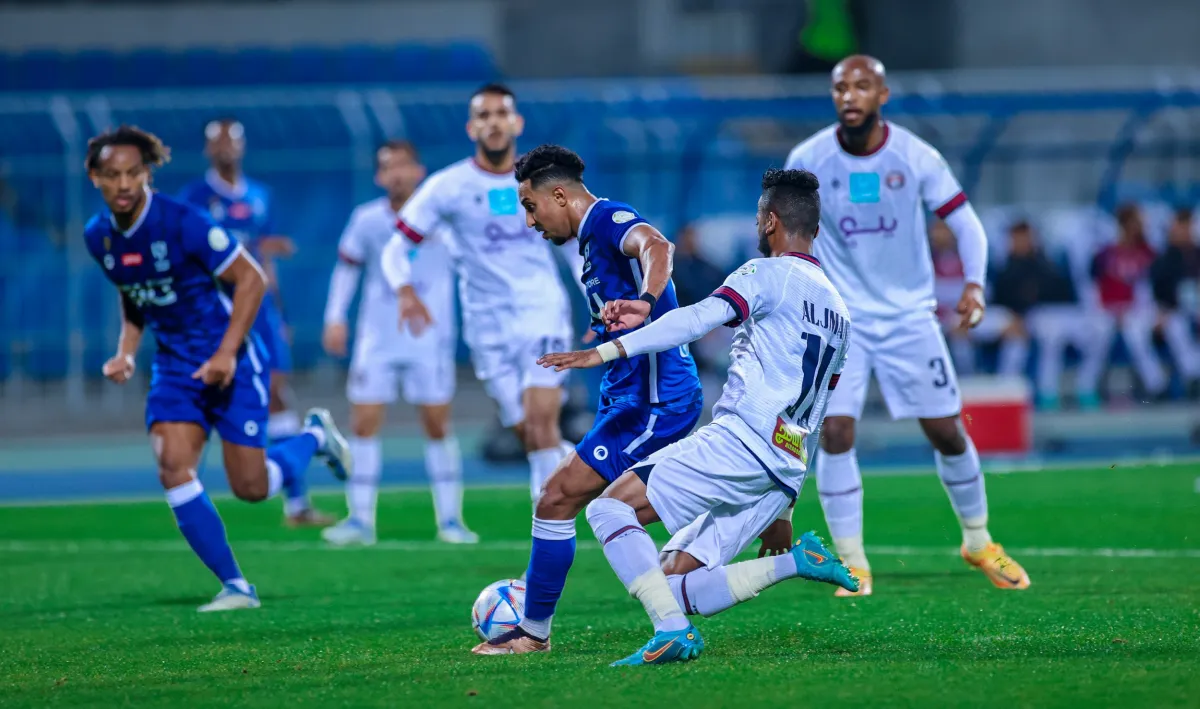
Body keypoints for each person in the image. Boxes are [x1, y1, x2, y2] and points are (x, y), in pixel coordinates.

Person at [541, 168, 859, 666]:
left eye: (759, 216)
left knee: (608, 510)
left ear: (770, 221)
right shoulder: (840, 312)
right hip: (782, 470)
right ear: (814, 228)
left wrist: (607, 352)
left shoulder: (765, 274)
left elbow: (693, 320)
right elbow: (815, 414)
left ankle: (671, 634)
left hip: (741, 443)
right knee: (669, 580)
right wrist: (786, 507)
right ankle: (796, 563)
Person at [785, 55, 1030, 595]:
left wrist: (975, 283)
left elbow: (964, 221)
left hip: (907, 318)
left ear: (883, 95)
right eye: (840, 87)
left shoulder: (915, 155)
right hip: (837, 318)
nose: (849, 96)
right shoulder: (808, 158)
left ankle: (978, 541)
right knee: (837, 430)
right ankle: (852, 562)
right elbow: (780, 228)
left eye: (862, 86)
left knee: (946, 431)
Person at [83, 126, 350, 612]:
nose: (122, 184)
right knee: (172, 466)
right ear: (94, 177)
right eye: (111, 175)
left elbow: (250, 277)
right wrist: (127, 349)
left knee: (250, 488)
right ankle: (235, 586)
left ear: (147, 173)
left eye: (131, 173)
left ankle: (314, 437)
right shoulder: (97, 236)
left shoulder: (183, 221)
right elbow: (134, 292)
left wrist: (227, 352)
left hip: (231, 359)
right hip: (174, 367)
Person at [470, 144, 704, 655]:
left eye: (532, 208)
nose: (531, 222)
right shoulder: (588, 245)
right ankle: (705, 550)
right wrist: (606, 324)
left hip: (654, 400)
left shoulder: (606, 219)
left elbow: (657, 246)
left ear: (559, 194)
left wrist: (645, 301)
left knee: (559, 500)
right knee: (596, 508)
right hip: (627, 397)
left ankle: (534, 634)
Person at [381, 84, 578, 509]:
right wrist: (405, 290)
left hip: (541, 311)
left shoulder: (547, 183)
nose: (494, 122)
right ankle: (592, 476)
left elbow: (579, 247)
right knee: (528, 431)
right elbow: (396, 247)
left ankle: (547, 524)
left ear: (516, 123)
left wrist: (597, 297)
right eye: (484, 115)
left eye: (501, 113)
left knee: (542, 423)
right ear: (472, 127)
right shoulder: (447, 186)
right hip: (486, 326)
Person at [178, 118, 332, 527]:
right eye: (218, 142)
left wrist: (279, 313)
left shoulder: (261, 196)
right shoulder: (194, 198)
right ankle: (190, 493)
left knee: (278, 393)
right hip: (214, 312)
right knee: (202, 398)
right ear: (208, 150)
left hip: (260, 311)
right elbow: (193, 254)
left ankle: (297, 504)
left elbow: (262, 266)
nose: (226, 148)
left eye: (232, 140)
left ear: (243, 147)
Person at [321, 140, 473, 545]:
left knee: (437, 425)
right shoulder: (367, 219)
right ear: (379, 176)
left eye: (404, 165)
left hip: (430, 338)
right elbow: (347, 269)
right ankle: (360, 520)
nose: (397, 174)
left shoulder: (443, 222)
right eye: (388, 167)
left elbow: (472, 266)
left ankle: (451, 521)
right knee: (363, 424)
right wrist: (335, 318)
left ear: (419, 171)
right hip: (378, 339)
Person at [1091, 204, 1166, 399]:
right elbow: (1094, 288)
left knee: (1136, 331)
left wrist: (1159, 311)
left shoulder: (1149, 253)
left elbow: (1157, 288)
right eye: (1137, 223)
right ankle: (1087, 387)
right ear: (1124, 224)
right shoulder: (1105, 253)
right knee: (1103, 333)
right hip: (1108, 309)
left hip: (1142, 309)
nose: (1141, 227)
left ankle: (1157, 385)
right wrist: (1112, 311)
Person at [1149, 207, 1200, 398]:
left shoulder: (1197, 253)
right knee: (1175, 326)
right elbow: (1157, 293)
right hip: (1172, 311)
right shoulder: (1164, 259)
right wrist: (1161, 312)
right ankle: (1193, 376)